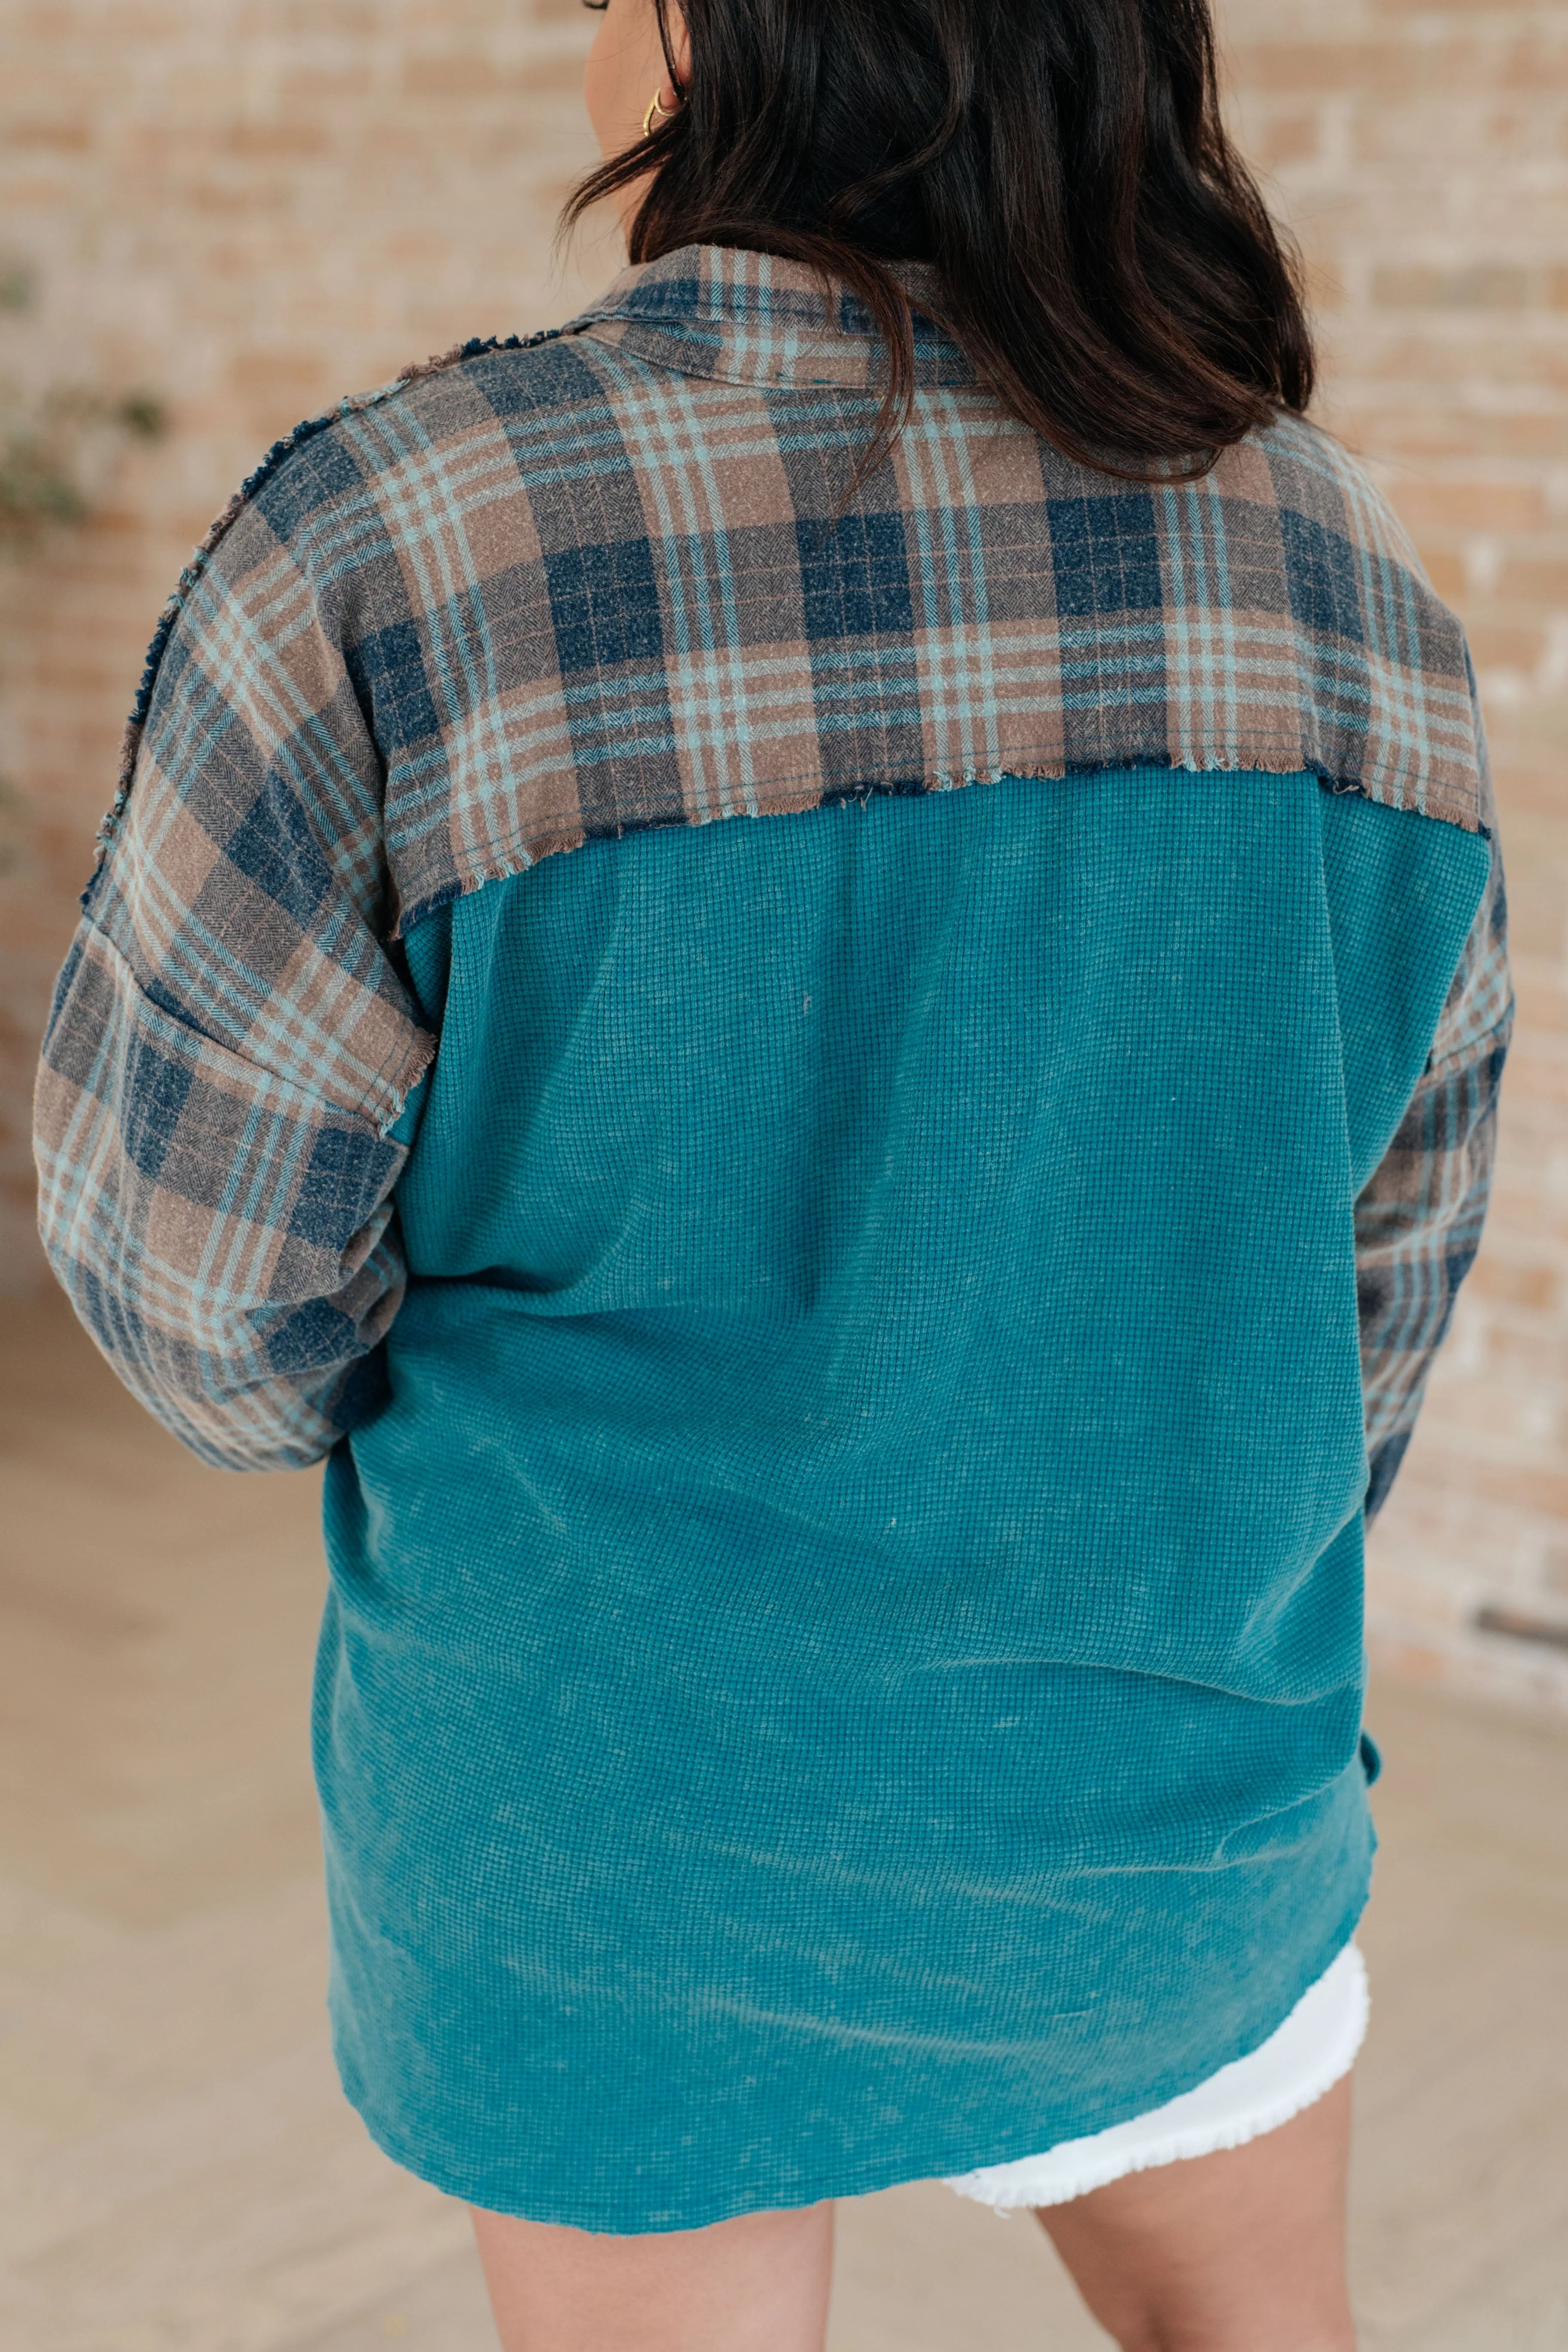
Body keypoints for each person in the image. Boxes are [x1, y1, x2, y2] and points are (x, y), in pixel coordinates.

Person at [33, 0, 1512, 2345]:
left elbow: (200, 1306)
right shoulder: (1332, 572)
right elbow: (1363, 1305)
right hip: (1164, 1816)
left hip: (614, 1871)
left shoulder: (403, 544)